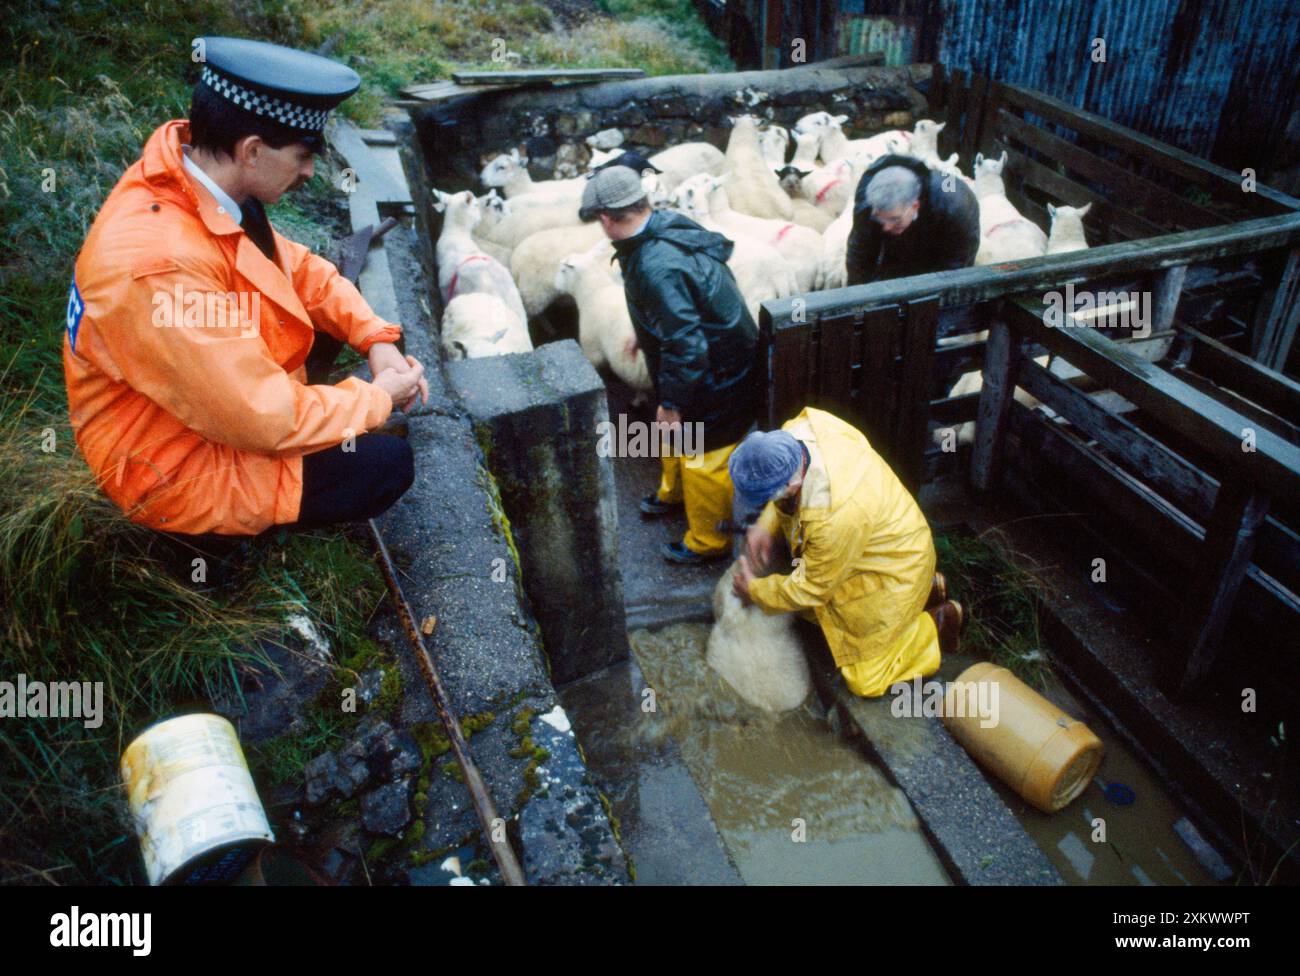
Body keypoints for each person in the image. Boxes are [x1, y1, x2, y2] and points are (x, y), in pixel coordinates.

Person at [64, 36, 427, 541]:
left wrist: (374, 337)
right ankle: (204, 546)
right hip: (167, 467)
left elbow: (300, 270)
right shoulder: (160, 267)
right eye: (303, 156)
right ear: (252, 150)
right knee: (385, 465)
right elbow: (264, 418)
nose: (309, 172)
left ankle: (318, 421)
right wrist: (376, 399)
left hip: (208, 404)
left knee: (320, 319)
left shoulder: (205, 189)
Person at [582, 166, 759, 566]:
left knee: (704, 453)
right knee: (673, 434)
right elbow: (677, 312)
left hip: (716, 371)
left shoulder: (656, 264)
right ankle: (674, 493)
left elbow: (687, 343)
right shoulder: (662, 227)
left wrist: (673, 403)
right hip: (705, 357)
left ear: (606, 219)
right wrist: (645, 328)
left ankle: (709, 541)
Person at [728, 407, 963, 698]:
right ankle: (924, 590)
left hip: (895, 564)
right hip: (880, 543)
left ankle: (933, 625)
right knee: (811, 614)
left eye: (767, 498)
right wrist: (766, 524)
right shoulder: (800, 431)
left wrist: (755, 590)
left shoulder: (833, 515)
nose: (767, 503)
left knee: (866, 681)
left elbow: (811, 589)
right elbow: (783, 485)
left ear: (792, 484)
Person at [845, 153, 980, 286]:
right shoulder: (868, 197)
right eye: (879, 218)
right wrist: (857, 293)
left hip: (945, 234)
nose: (886, 227)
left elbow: (955, 270)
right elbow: (859, 252)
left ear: (915, 206)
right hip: (915, 222)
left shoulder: (955, 204)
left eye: (894, 219)